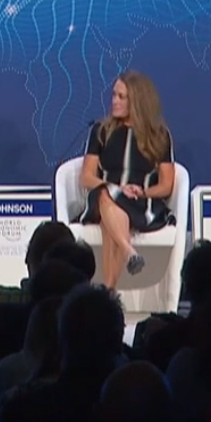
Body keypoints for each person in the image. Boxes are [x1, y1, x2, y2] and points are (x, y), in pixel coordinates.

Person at [78, 70, 177, 291]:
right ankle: (128, 252)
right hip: (104, 196)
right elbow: (87, 176)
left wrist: (143, 192)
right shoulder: (101, 131)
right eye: (114, 95)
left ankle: (109, 290)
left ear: (138, 101)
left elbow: (166, 185)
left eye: (121, 97)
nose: (114, 101)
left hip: (140, 202)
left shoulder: (159, 135)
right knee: (106, 194)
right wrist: (115, 188)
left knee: (109, 218)